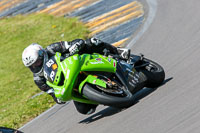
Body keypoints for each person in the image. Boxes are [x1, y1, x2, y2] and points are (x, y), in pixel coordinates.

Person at [22, 38, 130, 115]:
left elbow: (73, 43)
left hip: (78, 62)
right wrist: (58, 98)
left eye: (37, 62)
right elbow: (52, 92)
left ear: (42, 54)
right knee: (84, 110)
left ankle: (117, 52)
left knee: (92, 42)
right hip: (70, 83)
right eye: (32, 66)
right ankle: (104, 95)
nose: (36, 66)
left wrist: (75, 45)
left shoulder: (52, 49)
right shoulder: (38, 79)